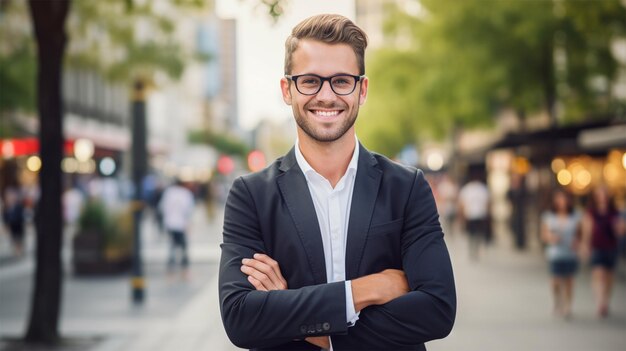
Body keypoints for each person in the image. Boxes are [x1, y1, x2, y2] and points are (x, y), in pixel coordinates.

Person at [219, 14, 456, 351]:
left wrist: (305, 323)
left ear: (362, 90)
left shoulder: (407, 187)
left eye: (341, 81)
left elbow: (437, 310)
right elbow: (240, 318)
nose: (326, 96)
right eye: (311, 81)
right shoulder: (251, 195)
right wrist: (366, 290)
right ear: (287, 90)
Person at [581, 186, 625, 318]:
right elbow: (587, 229)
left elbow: (621, 230)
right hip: (597, 246)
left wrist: (619, 227)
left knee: (609, 277)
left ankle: (606, 300)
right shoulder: (591, 211)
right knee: (598, 274)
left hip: (611, 247)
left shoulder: (615, 212)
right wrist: (585, 245)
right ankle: (600, 302)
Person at [540, 190, 581, 318]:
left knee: (569, 280)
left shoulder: (575, 216)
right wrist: (551, 237)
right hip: (555, 253)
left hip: (570, 252)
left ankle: (568, 306)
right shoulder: (548, 216)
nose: (562, 202)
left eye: (564, 200)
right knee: (555, 281)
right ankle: (557, 301)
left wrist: (578, 242)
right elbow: (544, 234)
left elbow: (581, 233)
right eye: (559, 199)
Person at [159, 178, 195, 277]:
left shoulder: (168, 192)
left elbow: (162, 207)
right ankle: (185, 269)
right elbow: (189, 210)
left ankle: (171, 269)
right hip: (181, 224)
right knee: (183, 247)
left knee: (172, 246)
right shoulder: (186, 193)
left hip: (170, 223)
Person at [457, 170, 490, 260]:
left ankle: (473, 250)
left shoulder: (467, 189)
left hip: (472, 215)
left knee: (473, 234)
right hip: (478, 214)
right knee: (477, 234)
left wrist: (462, 217)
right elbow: (487, 203)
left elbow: (462, 204)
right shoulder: (482, 188)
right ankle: (475, 250)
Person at [2, 187, 26, 256]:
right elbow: (5, 216)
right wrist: (6, 224)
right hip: (12, 226)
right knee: (14, 238)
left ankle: (20, 249)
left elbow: (21, 215)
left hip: (18, 225)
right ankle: (17, 250)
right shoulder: (6, 207)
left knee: (19, 238)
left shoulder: (18, 206)